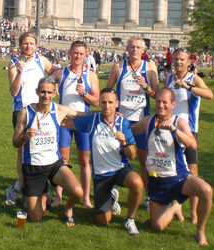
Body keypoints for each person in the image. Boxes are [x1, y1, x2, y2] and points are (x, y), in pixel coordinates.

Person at [132, 89, 214, 246]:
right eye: (158, 102)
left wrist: (175, 131)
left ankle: (200, 231)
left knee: (206, 190)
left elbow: (193, 144)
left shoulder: (178, 122)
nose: (161, 105)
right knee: (157, 226)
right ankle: (175, 206)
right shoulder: (148, 122)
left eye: (165, 102)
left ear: (173, 104)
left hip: (179, 179)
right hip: (157, 183)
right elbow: (130, 130)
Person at [68, 88, 144, 235]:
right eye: (103, 102)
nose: (107, 106)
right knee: (102, 221)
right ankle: (112, 196)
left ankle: (130, 220)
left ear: (117, 104)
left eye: (110, 102)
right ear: (99, 104)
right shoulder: (93, 120)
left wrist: (124, 143)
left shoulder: (123, 123)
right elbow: (69, 119)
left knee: (137, 183)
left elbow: (132, 155)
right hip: (101, 176)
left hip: (120, 169)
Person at [12, 76, 84, 226]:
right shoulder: (25, 113)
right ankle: (38, 194)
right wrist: (25, 136)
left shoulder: (59, 110)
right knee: (36, 217)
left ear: (55, 93)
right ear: (37, 92)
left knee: (78, 191)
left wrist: (106, 113)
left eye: (49, 92)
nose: (46, 95)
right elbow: (15, 142)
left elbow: (81, 115)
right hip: (33, 167)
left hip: (54, 165)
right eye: (43, 92)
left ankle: (67, 209)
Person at [167, 49, 214, 224]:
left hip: (189, 131)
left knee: (192, 172)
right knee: (172, 169)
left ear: (188, 62)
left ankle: (194, 212)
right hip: (171, 129)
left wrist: (188, 87)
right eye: (176, 59)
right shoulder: (169, 78)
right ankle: (174, 204)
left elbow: (210, 95)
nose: (178, 62)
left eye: (182, 59)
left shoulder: (193, 78)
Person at [6, 32, 53, 206]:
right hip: (21, 112)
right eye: (25, 43)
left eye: (31, 43)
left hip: (40, 111)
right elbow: (14, 92)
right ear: (20, 45)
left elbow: (55, 74)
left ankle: (36, 187)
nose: (28, 46)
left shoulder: (42, 61)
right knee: (22, 151)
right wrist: (20, 71)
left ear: (36, 45)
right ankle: (21, 186)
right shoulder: (13, 63)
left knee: (40, 149)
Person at [106, 37, 158, 188]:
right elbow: (108, 91)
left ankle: (148, 194)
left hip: (141, 120)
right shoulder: (119, 66)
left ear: (143, 50)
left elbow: (157, 95)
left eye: (138, 47)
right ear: (127, 49)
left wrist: (146, 87)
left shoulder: (149, 67)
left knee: (144, 160)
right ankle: (111, 191)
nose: (135, 50)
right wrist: (114, 111)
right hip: (121, 120)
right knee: (115, 157)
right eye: (132, 47)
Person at [53, 40, 99, 208]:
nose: (77, 56)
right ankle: (58, 196)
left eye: (81, 53)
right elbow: (45, 84)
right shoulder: (61, 73)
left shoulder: (91, 75)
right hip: (64, 121)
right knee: (62, 160)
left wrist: (84, 94)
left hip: (83, 121)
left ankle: (86, 197)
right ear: (69, 54)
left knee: (85, 161)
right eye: (75, 53)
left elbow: (96, 101)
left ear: (86, 55)